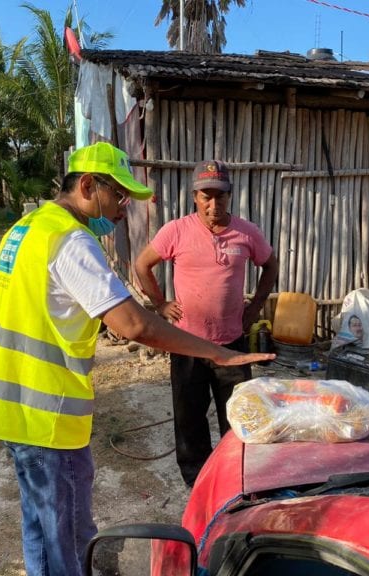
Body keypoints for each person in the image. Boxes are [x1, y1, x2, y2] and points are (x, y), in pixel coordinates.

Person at [0, 142, 273, 576]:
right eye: (119, 195)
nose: (123, 207)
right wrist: (218, 354)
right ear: (89, 186)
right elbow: (134, 325)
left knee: (39, 523)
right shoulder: (72, 241)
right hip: (48, 417)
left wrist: (0, 359)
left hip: (8, 404)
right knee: (70, 536)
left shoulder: (26, 228)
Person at [134, 159, 278, 487]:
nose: (214, 205)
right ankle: (196, 481)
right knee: (189, 418)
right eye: (206, 196)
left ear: (230, 196)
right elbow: (143, 265)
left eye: (220, 197)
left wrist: (255, 305)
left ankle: (235, 478)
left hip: (231, 343)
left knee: (239, 417)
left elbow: (271, 265)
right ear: (195, 196)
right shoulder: (176, 230)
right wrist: (160, 304)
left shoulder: (247, 232)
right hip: (186, 344)